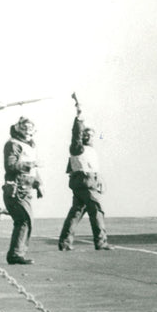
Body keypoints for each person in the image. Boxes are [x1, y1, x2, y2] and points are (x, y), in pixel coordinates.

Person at [58, 94, 113, 251]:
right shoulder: (78, 147)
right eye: (87, 135)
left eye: (91, 135)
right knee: (96, 210)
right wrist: (79, 112)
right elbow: (76, 132)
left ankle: (65, 242)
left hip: (83, 181)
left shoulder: (89, 151)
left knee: (76, 212)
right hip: (86, 181)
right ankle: (101, 242)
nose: (90, 137)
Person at [2, 116, 44, 265]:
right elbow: (10, 166)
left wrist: (38, 184)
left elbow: (32, 171)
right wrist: (30, 164)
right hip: (17, 187)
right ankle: (15, 255)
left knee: (23, 220)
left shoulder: (29, 146)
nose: (27, 131)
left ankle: (16, 254)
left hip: (25, 188)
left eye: (30, 128)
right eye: (24, 128)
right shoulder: (13, 144)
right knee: (24, 220)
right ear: (18, 128)